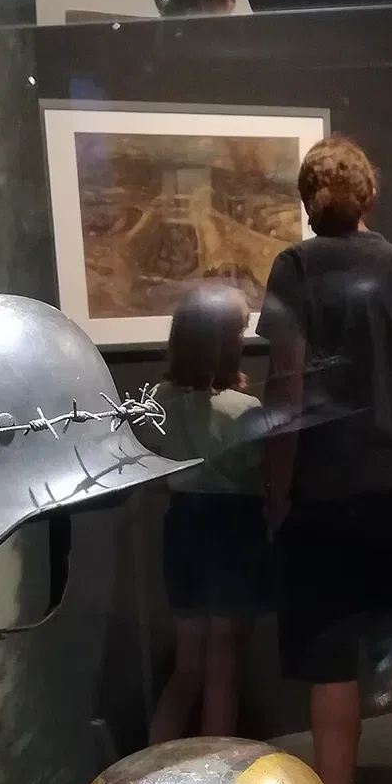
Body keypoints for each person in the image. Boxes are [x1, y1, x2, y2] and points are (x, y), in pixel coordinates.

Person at [258, 135, 392, 784]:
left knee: (331, 656)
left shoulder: (296, 268)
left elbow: (287, 384)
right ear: (371, 194)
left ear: (309, 200)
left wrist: (277, 488)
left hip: (325, 491)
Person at [147, 282, 272, 743]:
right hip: (233, 530)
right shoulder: (245, 409)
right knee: (224, 667)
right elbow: (262, 473)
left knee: (188, 667)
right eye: (239, 329)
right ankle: (219, 772)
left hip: (182, 526)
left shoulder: (158, 400)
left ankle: (156, 769)